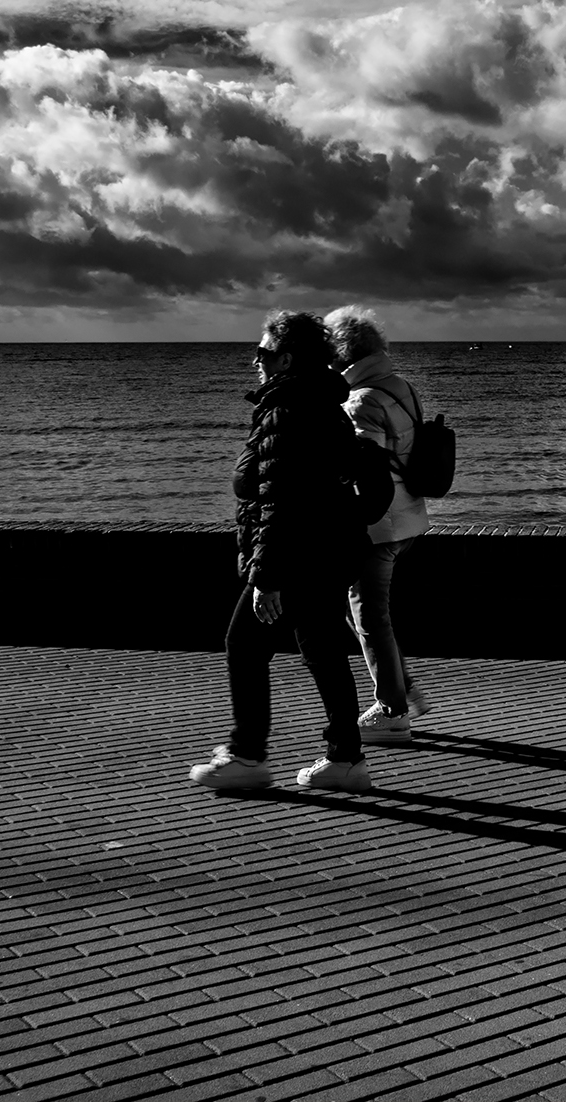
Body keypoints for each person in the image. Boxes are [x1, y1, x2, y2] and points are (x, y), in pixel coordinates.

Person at [190, 310, 373, 793]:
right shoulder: (322, 402)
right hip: (328, 548)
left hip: (297, 554)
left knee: (245, 644)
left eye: (263, 352)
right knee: (323, 649)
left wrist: (265, 577)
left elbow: (279, 496)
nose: (255, 361)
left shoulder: (287, 407)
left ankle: (248, 755)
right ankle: (345, 760)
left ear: (286, 357)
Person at [325, 305, 434, 747]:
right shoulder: (402, 387)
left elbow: (362, 470)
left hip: (378, 526)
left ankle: (391, 711)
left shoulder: (360, 400)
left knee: (369, 614)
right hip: (409, 516)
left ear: (341, 352)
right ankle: (401, 687)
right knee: (360, 611)